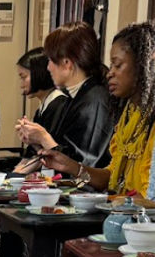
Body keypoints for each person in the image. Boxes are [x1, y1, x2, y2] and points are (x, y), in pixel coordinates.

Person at [39, 22, 155, 196]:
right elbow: (110, 177)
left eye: (118, 65)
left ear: (143, 65)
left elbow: (149, 199)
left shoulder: (97, 99)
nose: (110, 72)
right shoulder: (129, 113)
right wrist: (72, 166)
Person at [16, 21, 113, 167]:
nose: (48, 68)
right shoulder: (75, 95)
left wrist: (43, 138)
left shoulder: (94, 100)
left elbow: (79, 164)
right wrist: (35, 141)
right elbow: (60, 148)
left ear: (67, 63)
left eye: (50, 60)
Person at [15, 48, 69, 158]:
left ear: (38, 73)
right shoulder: (43, 107)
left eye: (24, 77)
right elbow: (40, 152)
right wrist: (31, 140)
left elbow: (54, 153)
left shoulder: (59, 104)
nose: (21, 85)